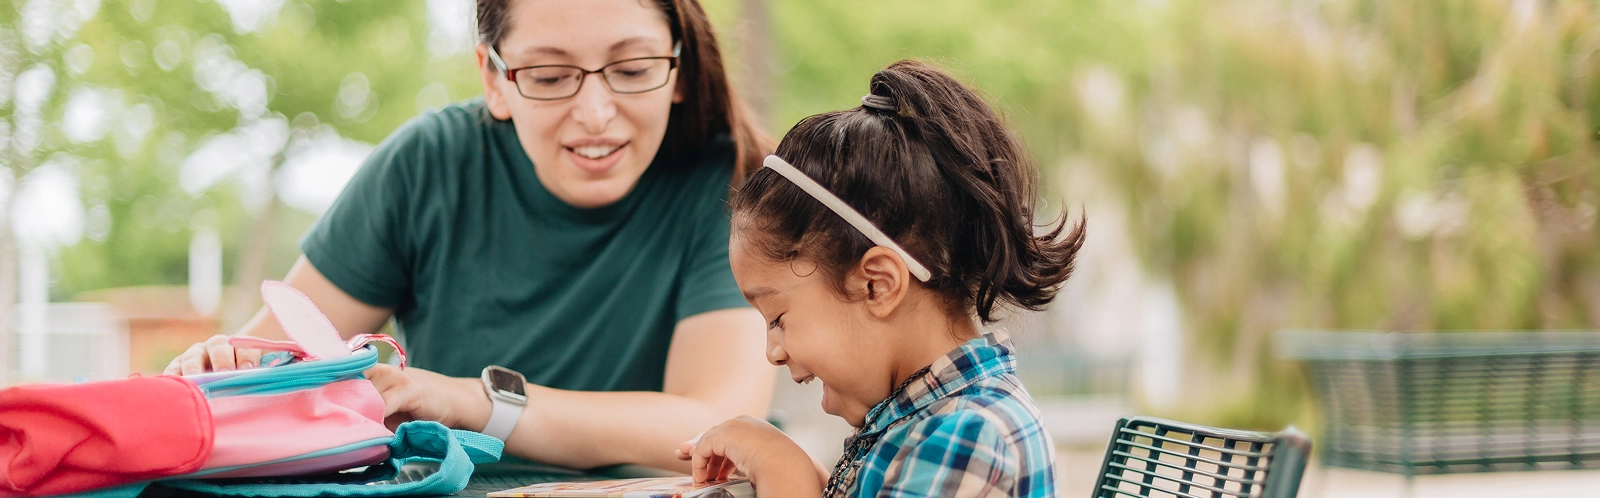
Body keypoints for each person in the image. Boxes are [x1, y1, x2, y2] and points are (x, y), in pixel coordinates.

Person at [163, 0, 776, 472]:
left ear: (679, 69)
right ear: (494, 79)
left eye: (633, 69)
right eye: (549, 75)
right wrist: (227, 370)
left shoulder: (730, 186)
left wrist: (476, 404)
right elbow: (274, 373)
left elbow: (716, 423)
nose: (595, 111)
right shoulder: (428, 166)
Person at [675, 60, 1084, 497]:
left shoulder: (969, 436)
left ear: (878, 285)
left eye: (777, 317)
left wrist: (780, 465)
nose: (773, 353)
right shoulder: (922, 424)